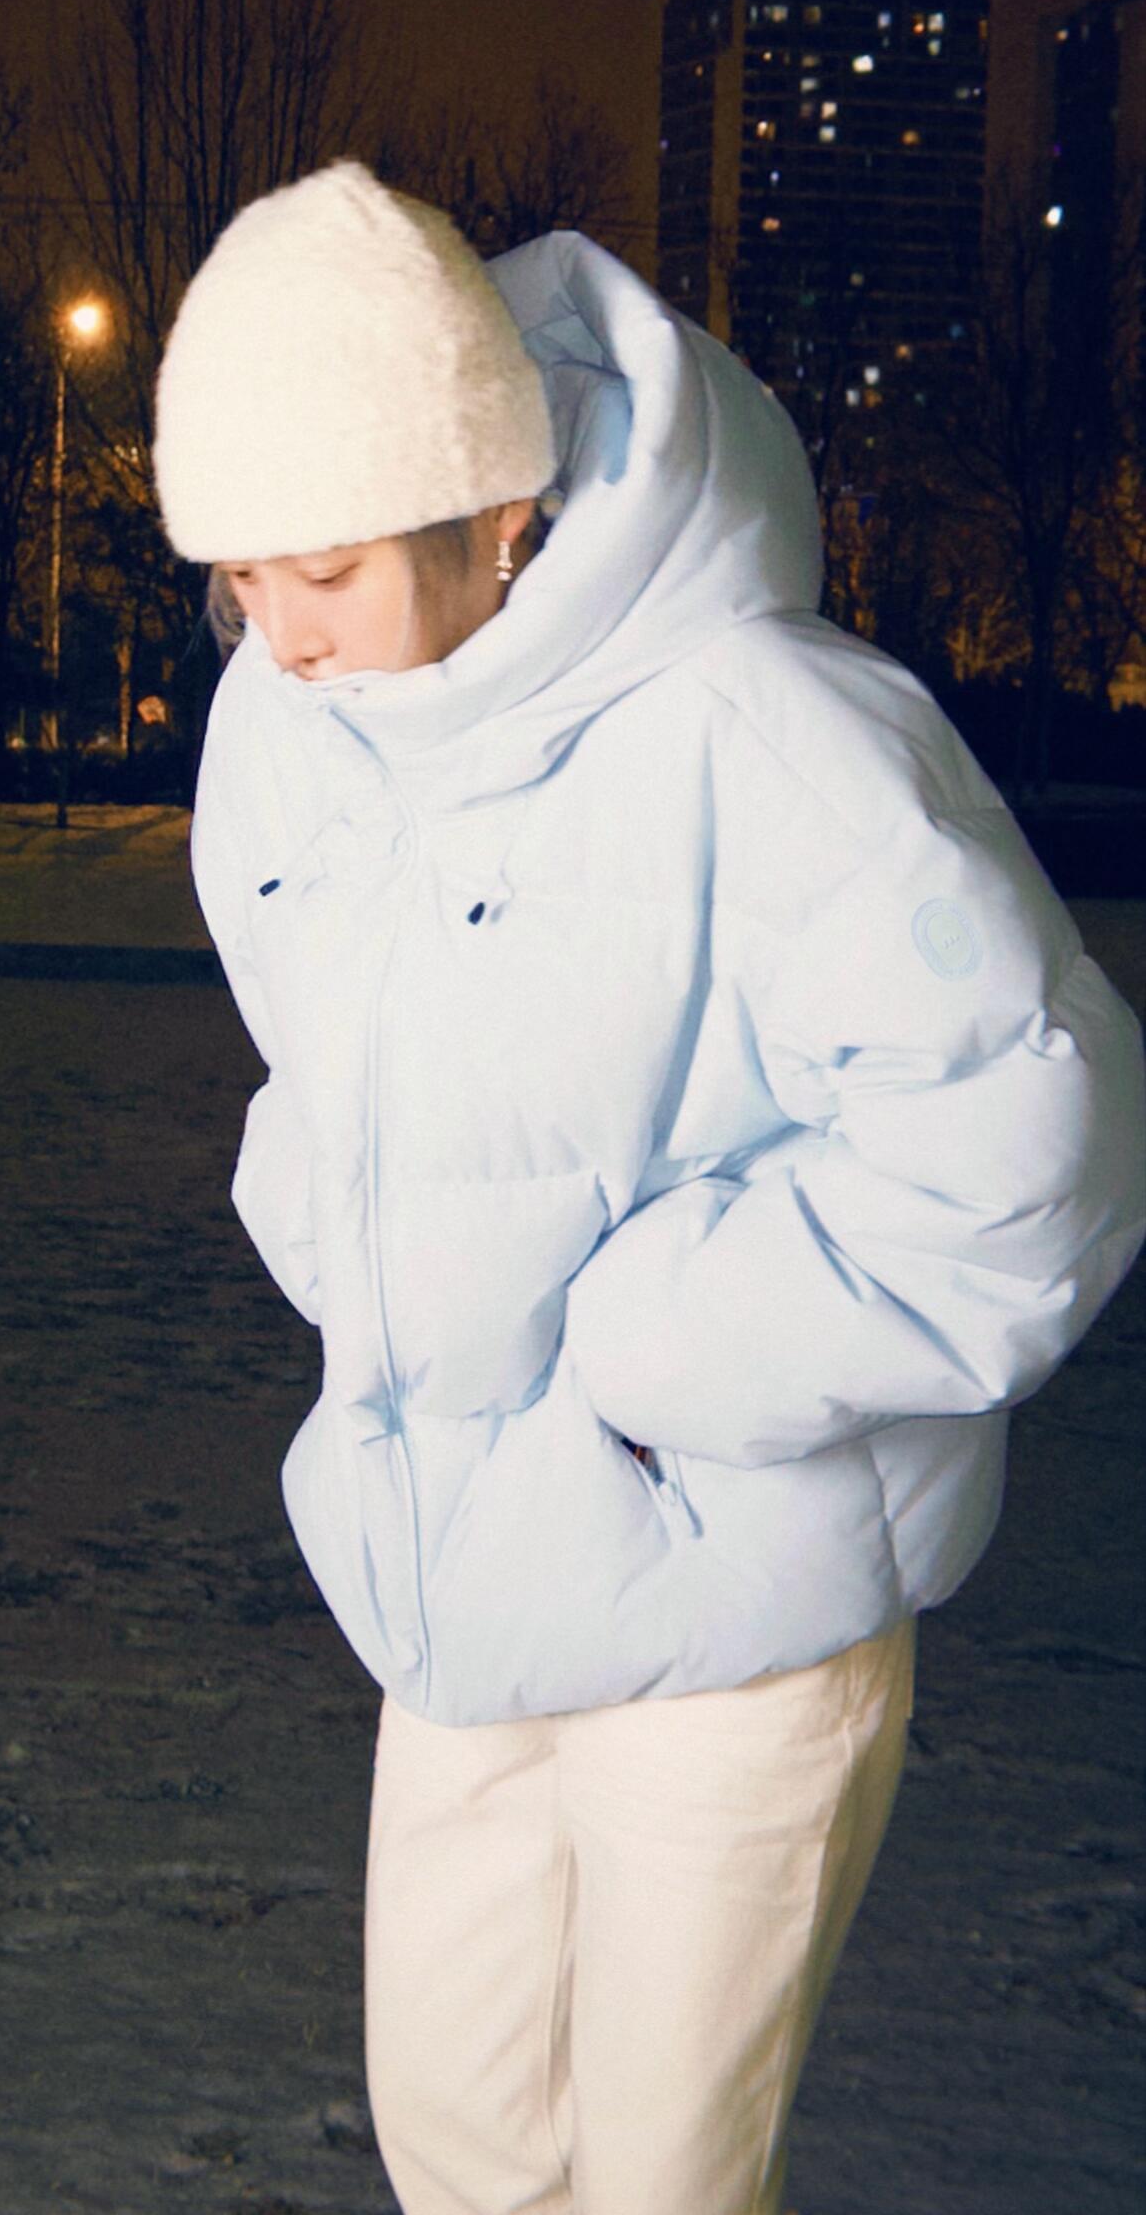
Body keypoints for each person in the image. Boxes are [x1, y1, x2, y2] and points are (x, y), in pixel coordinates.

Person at [153, 160, 1146, 2215]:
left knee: (658, 2183)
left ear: (495, 507)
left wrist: (657, 1351)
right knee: (459, 2150)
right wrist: (327, 1204)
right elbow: (326, 1063)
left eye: (321, 566)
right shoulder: (291, 739)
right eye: (234, 579)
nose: (278, 635)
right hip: (459, 1573)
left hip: (733, 1604)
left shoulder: (761, 730)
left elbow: (1031, 1150)